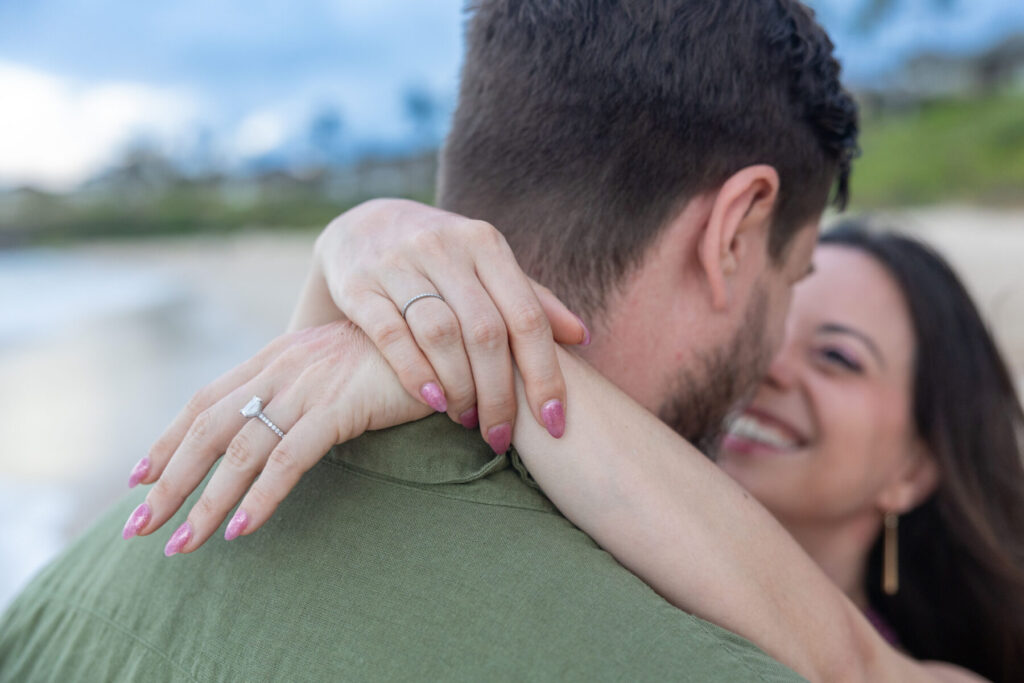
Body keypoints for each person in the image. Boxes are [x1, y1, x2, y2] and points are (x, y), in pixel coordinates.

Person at [0, 1, 858, 680]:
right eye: (797, 273)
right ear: (737, 232)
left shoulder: (66, 580)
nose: (780, 349)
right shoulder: (717, 662)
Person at [109, 204, 1024, 682]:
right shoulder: (603, 539)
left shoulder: (917, 668)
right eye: (782, 329)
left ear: (917, 465)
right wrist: (358, 240)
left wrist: (464, 337)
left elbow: (843, 667)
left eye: (839, 356)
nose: (775, 367)